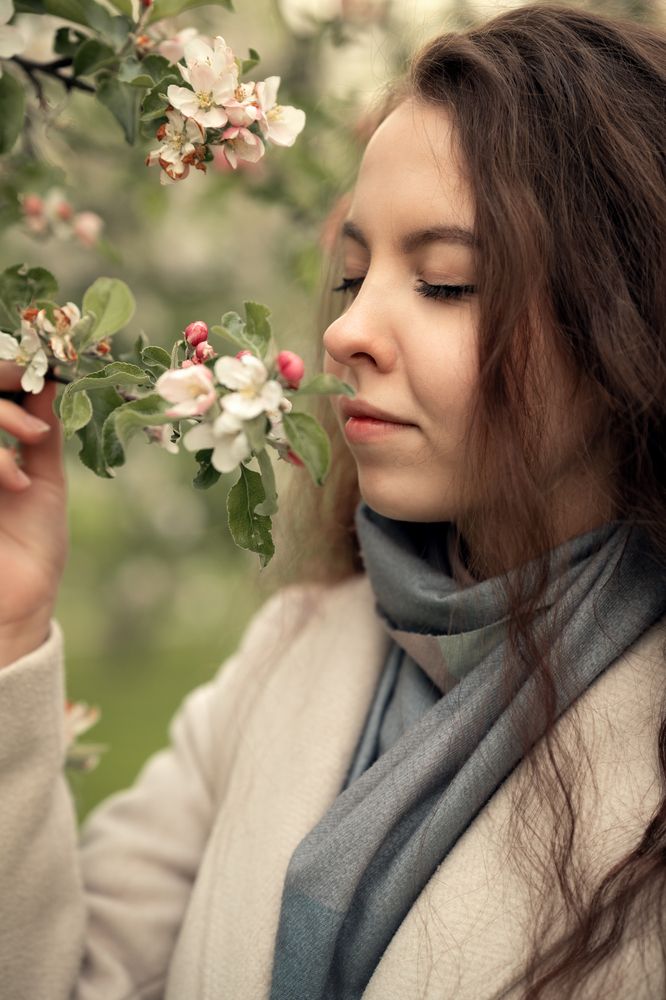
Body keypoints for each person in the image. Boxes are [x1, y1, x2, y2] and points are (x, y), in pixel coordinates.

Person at [1, 2, 665, 998]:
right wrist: (13, 632)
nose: (348, 328)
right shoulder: (291, 649)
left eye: (446, 282)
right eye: (354, 274)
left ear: (626, 328)